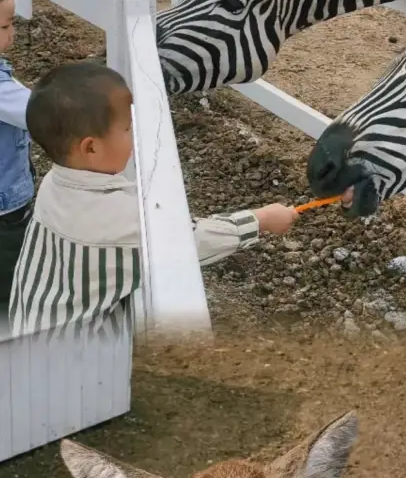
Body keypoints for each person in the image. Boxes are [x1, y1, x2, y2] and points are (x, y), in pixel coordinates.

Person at [8, 60, 301, 338]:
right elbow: (191, 242)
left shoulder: (53, 184)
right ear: (92, 148)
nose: (134, 135)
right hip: (73, 365)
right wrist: (260, 221)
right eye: (126, 128)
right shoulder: (117, 219)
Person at [0, 0, 33, 325]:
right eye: (7, 26)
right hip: (5, 215)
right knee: (10, 282)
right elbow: (38, 112)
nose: (12, 34)